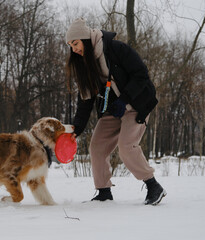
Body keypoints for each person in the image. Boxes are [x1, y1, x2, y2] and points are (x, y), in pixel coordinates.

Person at [65, 18, 166, 205]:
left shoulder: (116, 49)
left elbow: (141, 75)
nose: (74, 49)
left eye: (76, 43)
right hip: (112, 110)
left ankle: (153, 186)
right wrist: (77, 128)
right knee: (96, 147)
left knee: (126, 147)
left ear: (85, 39)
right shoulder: (84, 64)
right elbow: (85, 100)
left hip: (136, 104)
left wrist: (124, 99)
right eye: (70, 45)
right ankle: (103, 192)